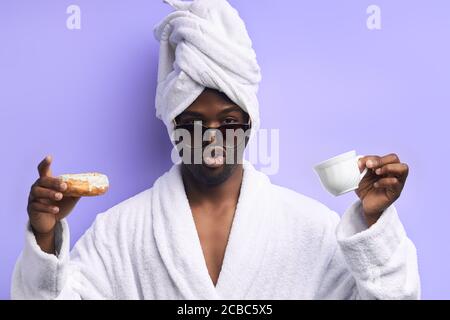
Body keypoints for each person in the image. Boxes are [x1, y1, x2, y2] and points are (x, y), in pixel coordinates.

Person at [12, 0, 420, 299]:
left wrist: (374, 221)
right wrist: (46, 241)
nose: (211, 137)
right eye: (192, 123)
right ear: (173, 128)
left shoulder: (309, 228)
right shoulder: (120, 233)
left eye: (228, 121)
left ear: (249, 124)